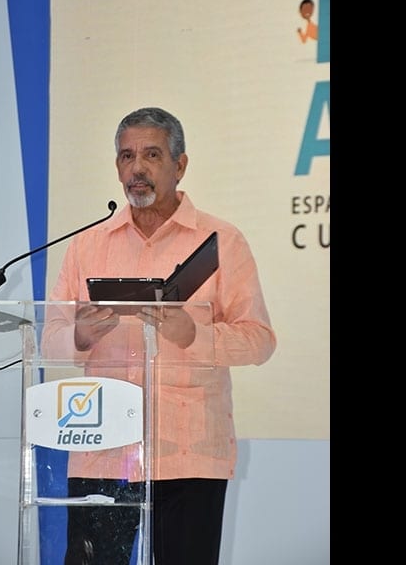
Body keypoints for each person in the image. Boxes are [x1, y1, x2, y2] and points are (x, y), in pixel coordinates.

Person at [44, 106, 277, 565]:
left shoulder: (221, 241)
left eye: (152, 155)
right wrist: (79, 336)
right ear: (117, 167)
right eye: (127, 156)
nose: (137, 168)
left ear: (180, 165)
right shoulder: (87, 245)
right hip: (102, 450)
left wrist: (195, 335)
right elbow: (49, 336)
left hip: (188, 455)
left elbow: (260, 339)